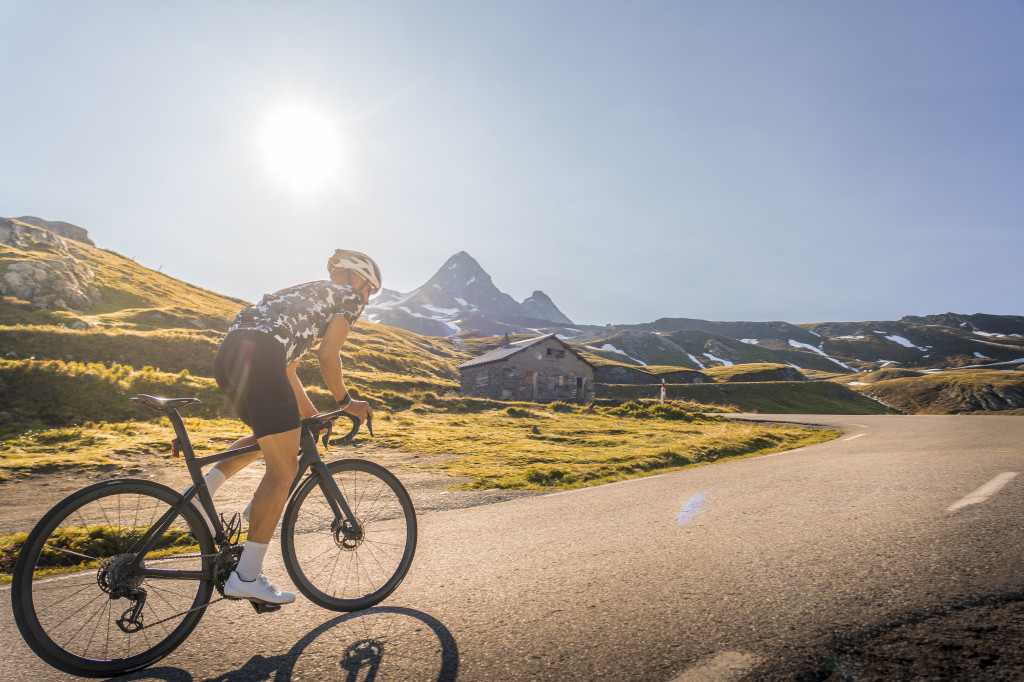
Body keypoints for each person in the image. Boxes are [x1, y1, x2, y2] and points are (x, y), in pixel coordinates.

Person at [197, 249, 379, 606]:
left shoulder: (306, 297)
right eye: (370, 290)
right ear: (359, 280)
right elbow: (328, 355)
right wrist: (346, 402)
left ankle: (202, 497)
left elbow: (289, 370)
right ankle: (247, 575)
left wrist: (311, 417)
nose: (367, 299)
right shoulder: (349, 297)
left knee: (275, 438)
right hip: (263, 357)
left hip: (232, 355)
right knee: (284, 471)